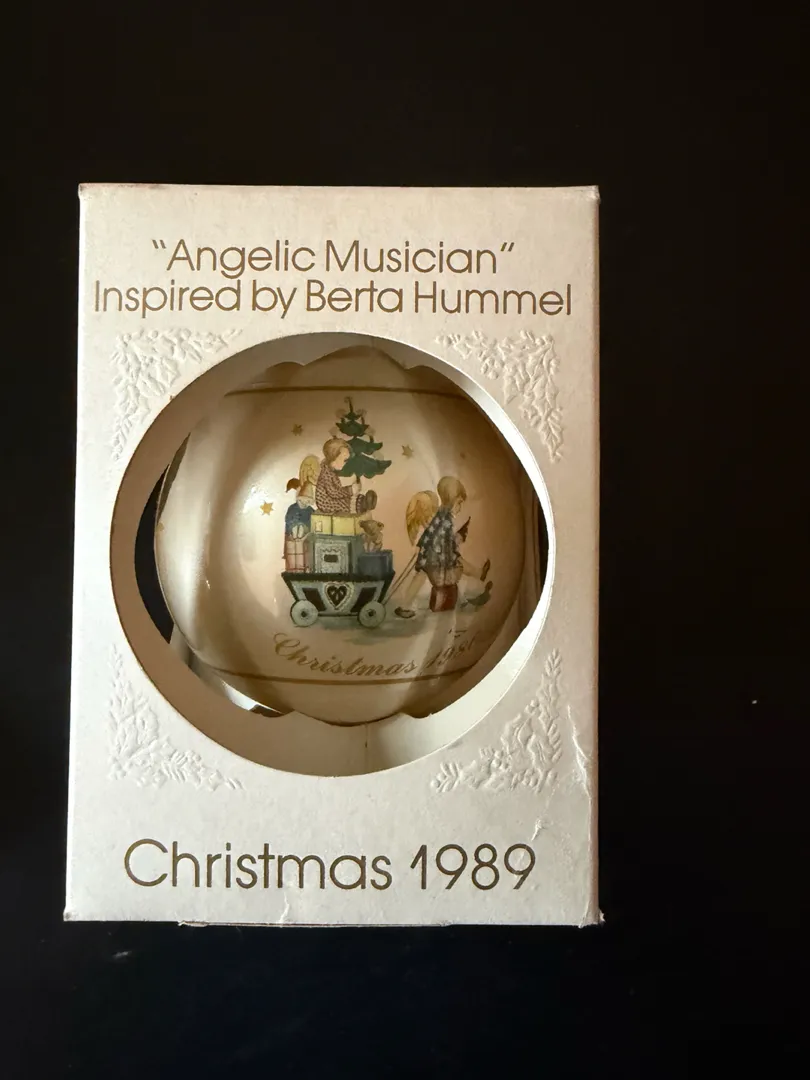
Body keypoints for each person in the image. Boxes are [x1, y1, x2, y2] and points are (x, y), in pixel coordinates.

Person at [395, 476, 489, 618]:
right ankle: (476, 577)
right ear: (452, 501)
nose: (460, 508)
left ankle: (404, 605)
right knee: (456, 566)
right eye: (459, 503)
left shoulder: (440, 514)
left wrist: (421, 546)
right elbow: (445, 542)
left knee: (421, 577)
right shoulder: (446, 520)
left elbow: (431, 533)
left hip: (428, 555)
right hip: (435, 557)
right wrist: (451, 555)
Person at [315, 438, 377, 516]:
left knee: (348, 499)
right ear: (333, 457)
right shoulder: (326, 474)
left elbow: (336, 492)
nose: (345, 463)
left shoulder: (331, 472)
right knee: (343, 503)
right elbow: (334, 493)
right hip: (326, 503)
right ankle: (363, 503)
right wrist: (350, 490)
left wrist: (351, 490)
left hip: (332, 498)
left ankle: (364, 501)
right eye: (344, 460)